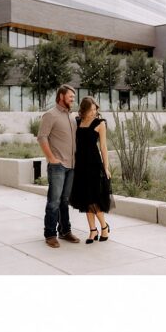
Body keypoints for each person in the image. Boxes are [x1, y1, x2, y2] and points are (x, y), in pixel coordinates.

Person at [37, 85, 81, 248]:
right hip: (58, 166)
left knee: (65, 200)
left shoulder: (71, 117)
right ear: (61, 96)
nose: (72, 99)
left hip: (71, 165)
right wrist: (51, 158)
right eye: (70, 96)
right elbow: (42, 137)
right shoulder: (50, 115)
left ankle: (65, 231)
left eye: (74, 97)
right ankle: (50, 234)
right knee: (54, 201)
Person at [69, 96, 113, 244]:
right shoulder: (77, 122)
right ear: (84, 109)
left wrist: (106, 167)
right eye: (91, 109)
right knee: (85, 198)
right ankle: (93, 230)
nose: (94, 112)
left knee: (94, 198)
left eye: (95, 109)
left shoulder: (100, 123)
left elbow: (103, 147)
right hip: (80, 165)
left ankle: (104, 227)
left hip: (94, 165)